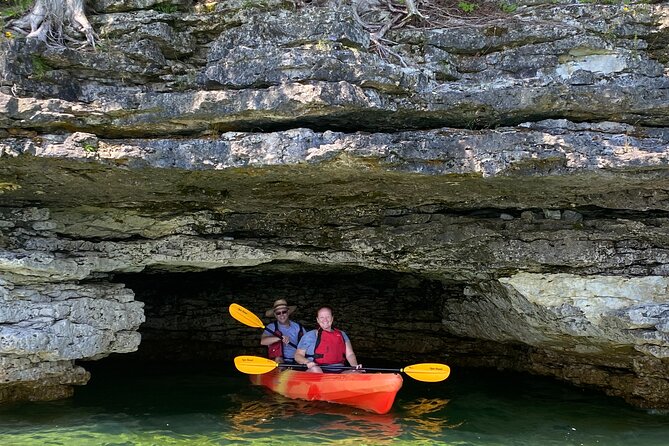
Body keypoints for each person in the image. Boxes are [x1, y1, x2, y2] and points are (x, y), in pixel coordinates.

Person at [294, 306, 362, 373]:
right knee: (316, 370)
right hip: (317, 369)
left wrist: (355, 367)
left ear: (332, 318)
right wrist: (307, 362)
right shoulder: (310, 335)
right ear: (317, 320)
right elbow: (298, 355)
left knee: (356, 373)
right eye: (322, 317)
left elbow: (350, 354)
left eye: (328, 317)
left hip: (340, 370)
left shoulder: (342, 334)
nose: (325, 320)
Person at [260, 299, 305, 364]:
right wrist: (279, 338)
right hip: (279, 361)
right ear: (275, 315)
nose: (281, 315)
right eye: (278, 313)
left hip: (297, 360)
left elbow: (308, 343)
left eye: (284, 312)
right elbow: (263, 341)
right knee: (278, 359)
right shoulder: (271, 327)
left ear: (288, 312)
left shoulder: (299, 327)